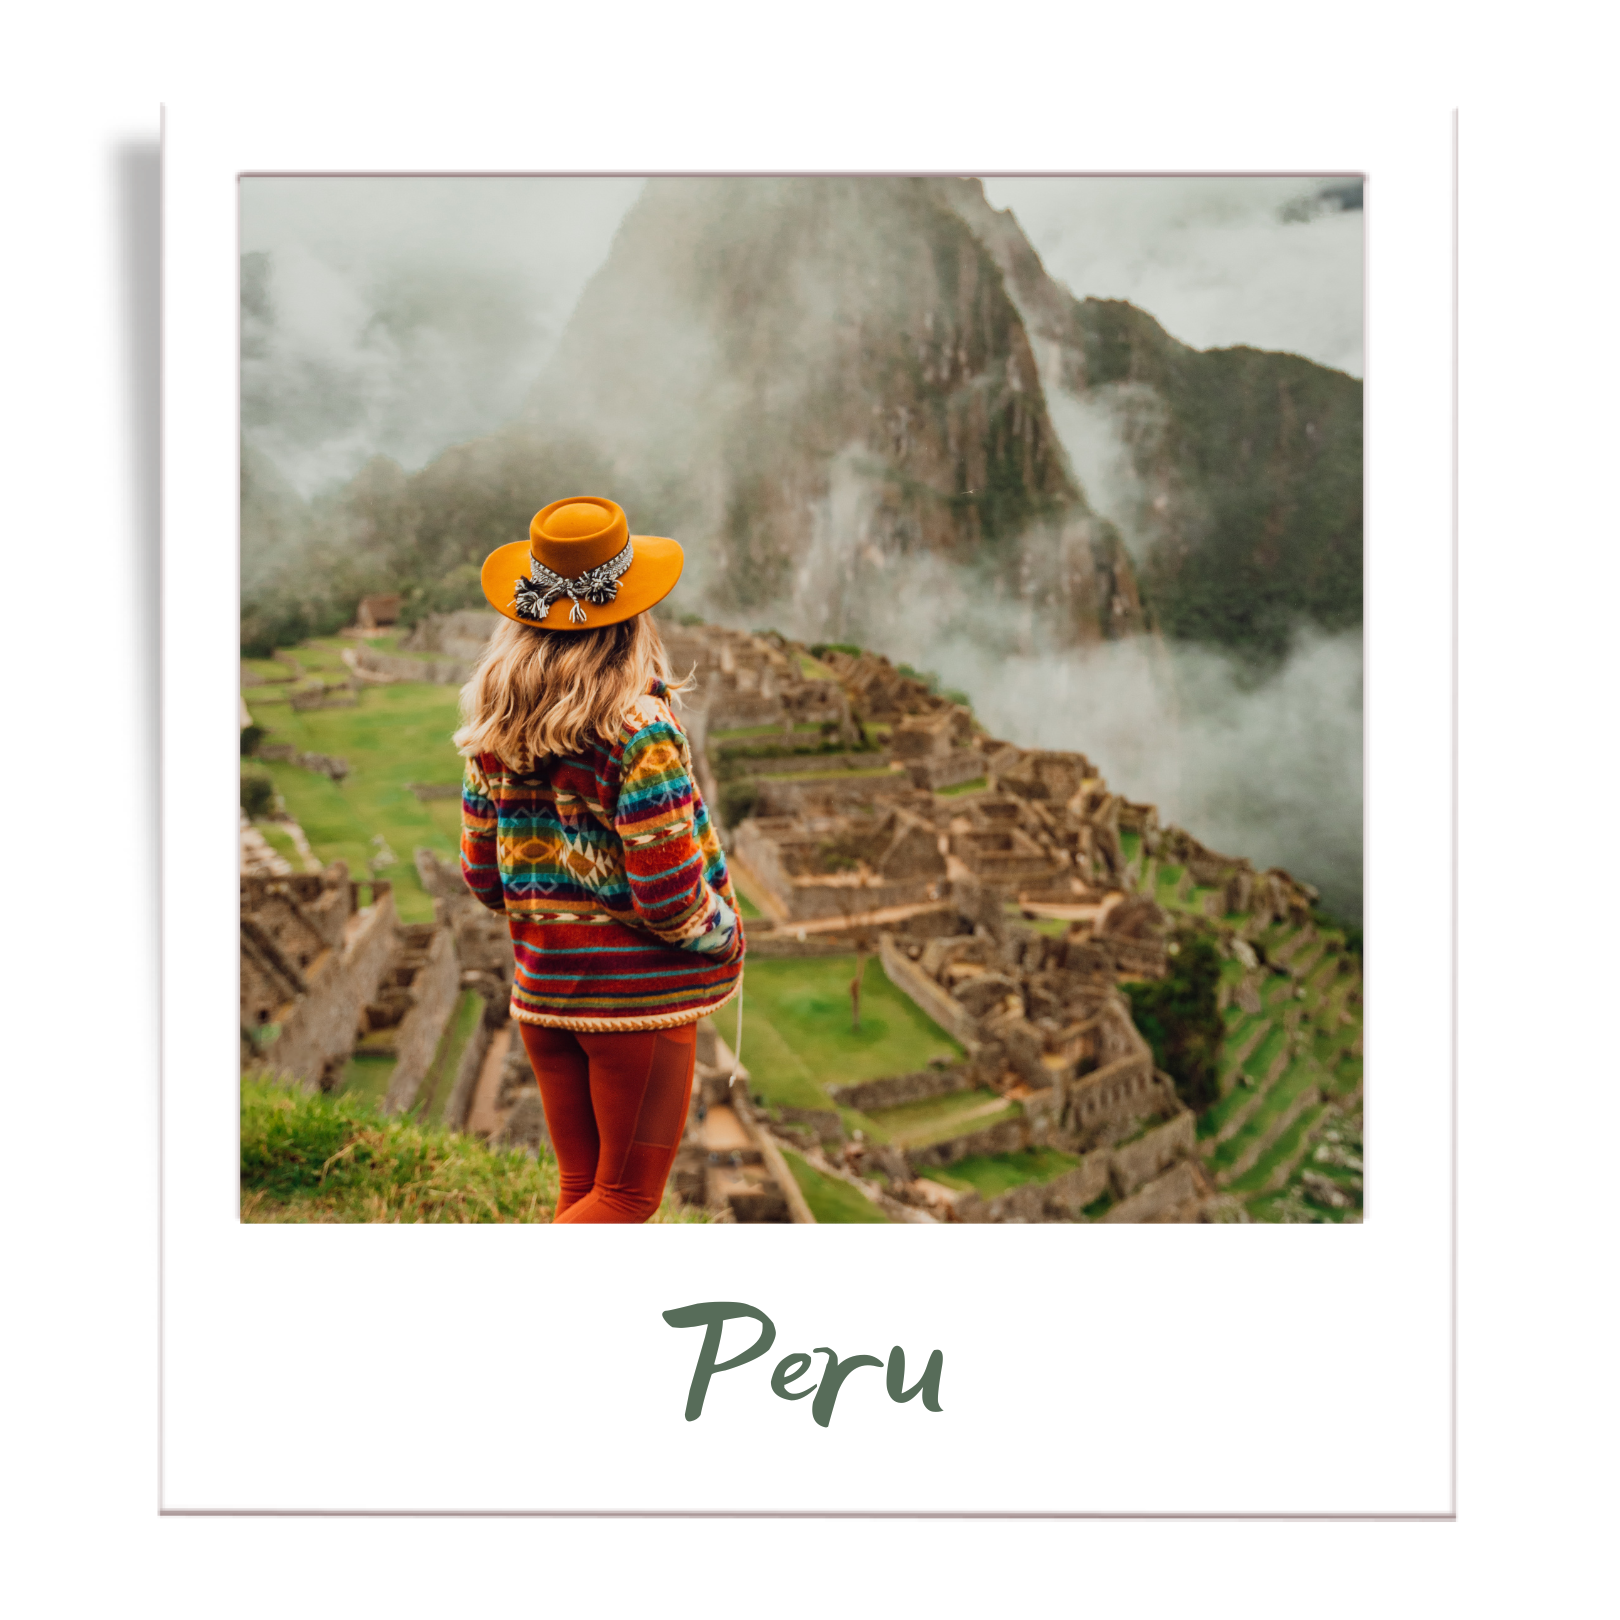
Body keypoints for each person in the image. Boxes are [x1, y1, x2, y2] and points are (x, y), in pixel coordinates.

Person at [455, 496, 744, 1223]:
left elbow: (484, 879)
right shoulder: (637, 730)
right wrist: (725, 932)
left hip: (544, 995)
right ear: (633, 615)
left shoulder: (493, 728)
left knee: (582, 1191)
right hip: (633, 1005)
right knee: (624, 1200)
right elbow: (670, 894)